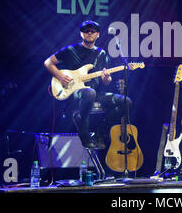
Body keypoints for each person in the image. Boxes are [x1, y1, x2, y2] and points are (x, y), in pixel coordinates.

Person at [44, 20, 132, 149]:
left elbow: (106, 81)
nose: (89, 33)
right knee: (89, 93)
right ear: (81, 34)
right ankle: (84, 135)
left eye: (92, 31)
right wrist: (60, 76)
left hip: (94, 92)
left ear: (98, 34)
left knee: (126, 101)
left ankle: (100, 133)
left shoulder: (101, 54)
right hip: (75, 92)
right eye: (86, 31)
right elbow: (48, 62)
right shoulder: (71, 50)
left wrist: (106, 78)